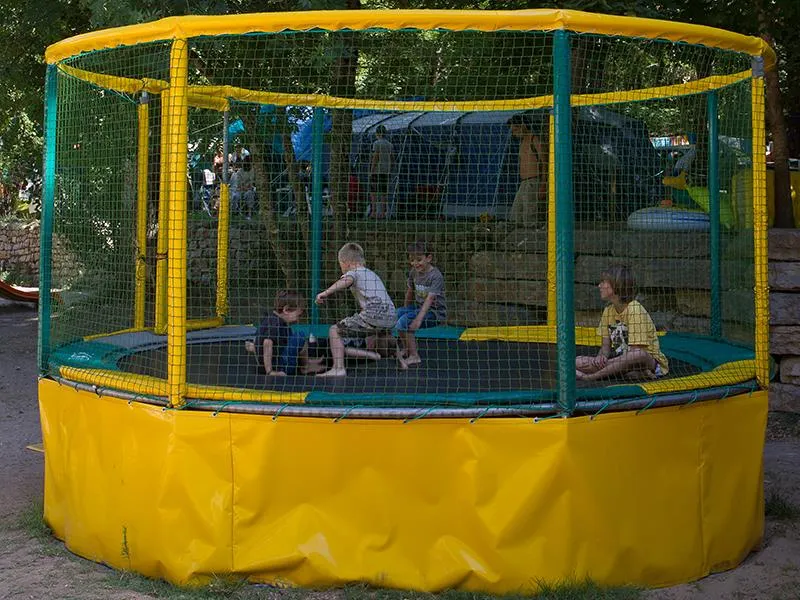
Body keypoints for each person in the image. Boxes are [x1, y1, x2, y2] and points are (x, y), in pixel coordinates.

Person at [315, 242, 397, 377]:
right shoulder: (371, 274)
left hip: (373, 314)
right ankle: (402, 363)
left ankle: (338, 368)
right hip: (391, 315)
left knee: (334, 330)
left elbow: (346, 281)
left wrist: (325, 293)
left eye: (340, 264)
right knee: (383, 332)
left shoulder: (354, 272)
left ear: (345, 262)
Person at [575, 265, 669, 382]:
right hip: (624, 362)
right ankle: (633, 373)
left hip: (649, 362)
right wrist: (601, 357)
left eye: (603, 282)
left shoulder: (634, 309)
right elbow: (605, 347)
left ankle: (589, 377)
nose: (599, 286)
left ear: (616, 285)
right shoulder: (608, 311)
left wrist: (604, 364)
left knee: (637, 355)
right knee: (577, 361)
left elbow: (635, 353)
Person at [396, 240, 447, 368]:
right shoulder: (413, 272)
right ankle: (407, 348)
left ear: (428, 258)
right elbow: (410, 291)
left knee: (404, 321)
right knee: (397, 314)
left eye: (419, 260)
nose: (415, 263)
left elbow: (430, 299)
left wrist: (418, 320)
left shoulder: (435, 276)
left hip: (435, 313)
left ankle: (414, 356)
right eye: (412, 260)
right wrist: (405, 308)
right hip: (419, 308)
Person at [245, 289, 308, 376]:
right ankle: (305, 366)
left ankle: (307, 364)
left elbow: (258, 341)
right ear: (286, 310)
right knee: (299, 336)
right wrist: (270, 371)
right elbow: (267, 343)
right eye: (298, 315)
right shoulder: (276, 324)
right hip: (279, 367)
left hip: (268, 363)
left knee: (290, 334)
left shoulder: (270, 320)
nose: (298, 319)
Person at [507, 113, 546, 227]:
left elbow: (544, 162)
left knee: (530, 215)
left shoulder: (535, 140)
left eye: (515, 130)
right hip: (524, 183)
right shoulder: (522, 142)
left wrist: (543, 184)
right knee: (515, 214)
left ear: (523, 125)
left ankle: (533, 238)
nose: (514, 133)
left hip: (534, 182)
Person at [369, 124, 394, 219]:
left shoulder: (376, 144)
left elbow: (376, 157)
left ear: (377, 133)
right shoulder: (390, 145)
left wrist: (372, 170)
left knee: (373, 192)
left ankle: (374, 212)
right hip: (386, 171)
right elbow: (393, 159)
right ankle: (383, 213)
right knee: (384, 192)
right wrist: (390, 168)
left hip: (377, 171)